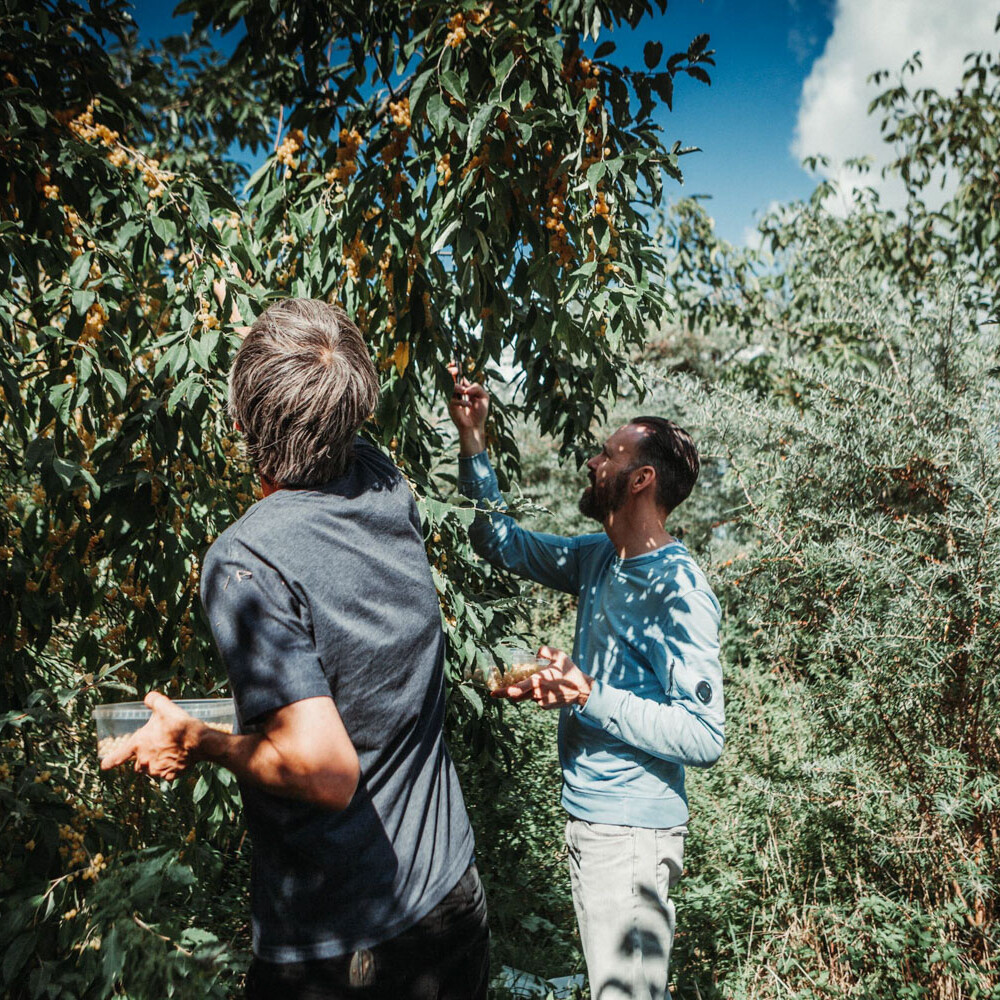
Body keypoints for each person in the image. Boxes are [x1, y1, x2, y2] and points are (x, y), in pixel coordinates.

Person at [101, 299, 489, 1000]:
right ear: (353, 416)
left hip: (350, 946)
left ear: (242, 421)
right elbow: (342, 683)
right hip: (451, 900)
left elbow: (327, 771)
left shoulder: (248, 560)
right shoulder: (383, 480)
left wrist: (201, 740)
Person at [448, 373, 723, 1000]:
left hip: (632, 836)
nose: (593, 461)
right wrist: (473, 438)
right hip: (591, 823)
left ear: (642, 479)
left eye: (609, 454)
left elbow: (704, 735)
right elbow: (499, 541)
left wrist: (585, 692)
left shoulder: (677, 591)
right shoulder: (602, 558)